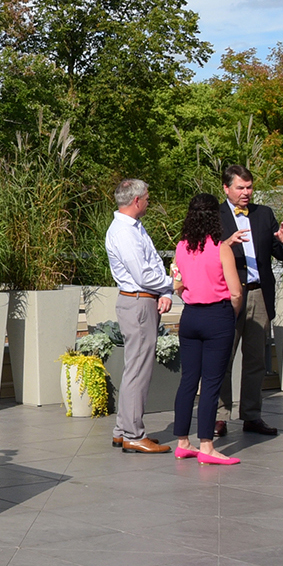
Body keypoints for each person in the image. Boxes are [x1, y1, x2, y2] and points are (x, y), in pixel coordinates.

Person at [215, 165, 283, 439]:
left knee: (257, 359)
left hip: (260, 293)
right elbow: (202, 254)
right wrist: (225, 243)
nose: (246, 193)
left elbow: (281, 254)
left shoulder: (264, 214)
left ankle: (251, 415)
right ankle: (219, 415)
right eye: (240, 188)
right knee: (223, 357)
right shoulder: (216, 216)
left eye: (249, 187)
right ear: (226, 188)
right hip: (229, 295)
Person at [170, 193, 246, 465]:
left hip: (190, 317)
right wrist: (231, 314)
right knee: (212, 382)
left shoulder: (181, 247)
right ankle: (206, 445)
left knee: (188, 380)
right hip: (217, 316)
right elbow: (236, 292)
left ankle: (182, 442)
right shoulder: (221, 248)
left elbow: (177, 285)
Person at [103, 179, 173, 454]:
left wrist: (166, 287)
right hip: (138, 302)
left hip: (140, 301)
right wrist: (171, 284)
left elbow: (150, 263)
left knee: (136, 368)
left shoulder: (131, 228)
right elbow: (143, 274)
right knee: (138, 370)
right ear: (136, 201)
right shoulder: (124, 232)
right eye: (146, 197)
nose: (148, 202)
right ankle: (132, 433)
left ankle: (123, 430)